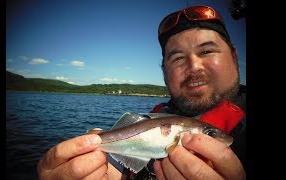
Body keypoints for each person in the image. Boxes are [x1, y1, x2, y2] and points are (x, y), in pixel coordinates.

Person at [37, 5, 246, 180]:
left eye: (207, 51)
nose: (194, 66)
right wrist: (89, 169)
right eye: (178, 58)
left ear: (235, 57)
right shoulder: (153, 114)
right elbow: (120, 165)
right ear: (163, 70)